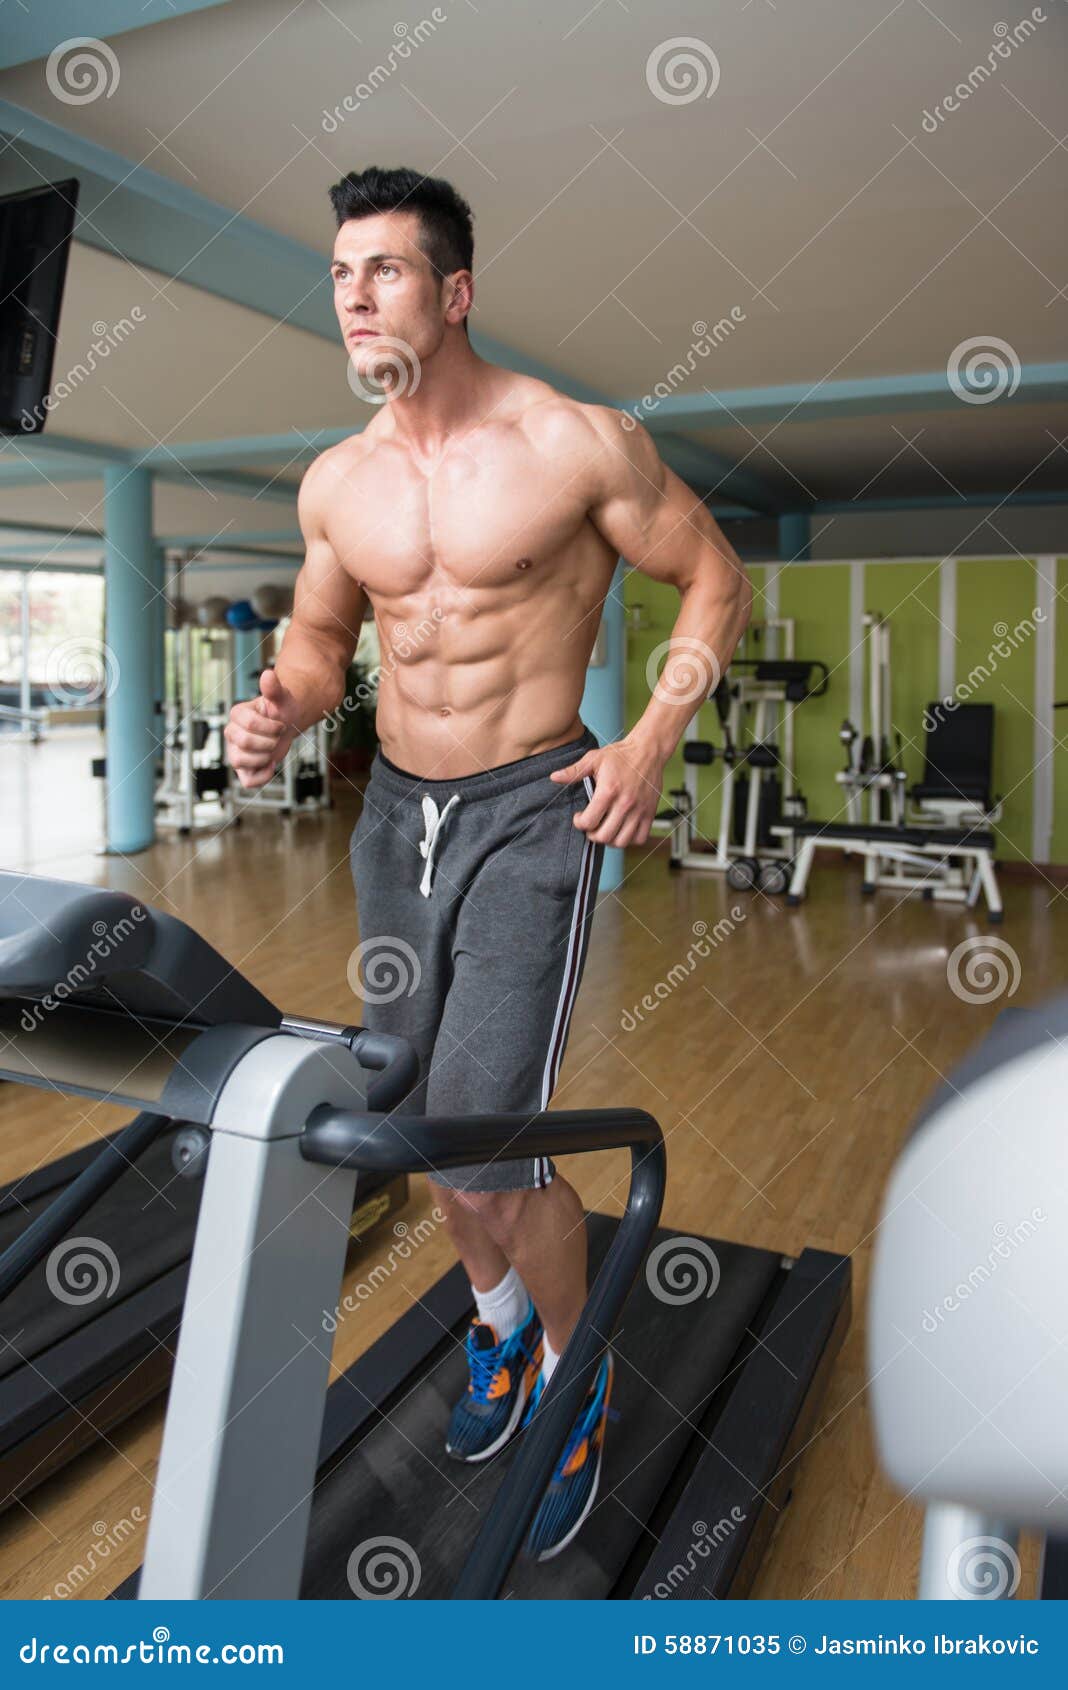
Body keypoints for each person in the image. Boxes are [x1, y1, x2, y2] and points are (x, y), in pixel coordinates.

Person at [225, 165, 751, 1563]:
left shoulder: (573, 443)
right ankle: (499, 1330)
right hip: (397, 812)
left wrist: (649, 736)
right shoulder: (340, 480)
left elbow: (716, 577)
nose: (356, 295)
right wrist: (283, 699)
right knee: (410, 1115)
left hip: (533, 809)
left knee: (488, 1139)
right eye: (343, 273)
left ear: (454, 292)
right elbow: (323, 638)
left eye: (385, 270)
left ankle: (579, 1375)